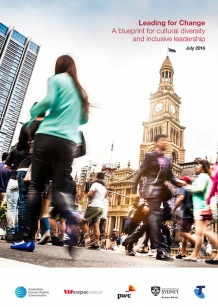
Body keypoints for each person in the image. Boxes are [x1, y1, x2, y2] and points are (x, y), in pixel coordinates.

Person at [10, 55, 89, 255]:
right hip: (69, 142)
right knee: (60, 187)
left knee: (36, 187)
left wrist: (34, 111)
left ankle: (28, 239)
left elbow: (49, 101)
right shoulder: (80, 92)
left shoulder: (56, 79)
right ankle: (71, 213)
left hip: (47, 136)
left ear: (59, 66)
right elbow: (84, 119)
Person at [134, 134, 186, 261]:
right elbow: (140, 173)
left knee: (154, 220)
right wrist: (134, 189)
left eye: (167, 141)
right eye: (164, 140)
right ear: (156, 143)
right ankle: (160, 250)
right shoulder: (149, 156)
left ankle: (156, 248)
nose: (166, 143)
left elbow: (170, 176)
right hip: (150, 192)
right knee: (154, 219)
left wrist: (178, 182)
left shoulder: (168, 161)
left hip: (161, 194)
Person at [183, 160, 218, 262]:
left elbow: (200, 188)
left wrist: (188, 186)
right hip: (202, 206)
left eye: (198, 164)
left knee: (203, 231)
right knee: (200, 233)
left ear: (203, 166)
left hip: (201, 207)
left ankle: (195, 254)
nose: (196, 166)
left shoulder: (203, 176)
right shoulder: (206, 176)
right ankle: (194, 254)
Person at [80, 172, 107, 250]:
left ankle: (87, 236)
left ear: (97, 177)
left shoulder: (95, 184)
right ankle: (96, 244)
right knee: (96, 226)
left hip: (94, 206)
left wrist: (88, 192)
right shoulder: (104, 187)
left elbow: (90, 194)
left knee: (82, 222)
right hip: (101, 208)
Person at [173, 176, 195, 259]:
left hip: (185, 213)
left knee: (184, 233)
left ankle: (198, 244)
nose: (180, 182)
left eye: (181, 181)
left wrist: (174, 208)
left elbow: (181, 198)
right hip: (191, 213)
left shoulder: (184, 188)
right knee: (185, 234)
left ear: (185, 182)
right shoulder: (192, 189)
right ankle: (182, 253)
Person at [5, 146, 23, 242]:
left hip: (13, 179)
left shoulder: (15, 149)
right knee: (19, 208)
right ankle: (17, 232)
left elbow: (7, 166)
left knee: (11, 207)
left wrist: (14, 168)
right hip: (24, 180)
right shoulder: (31, 150)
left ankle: (10, 233)